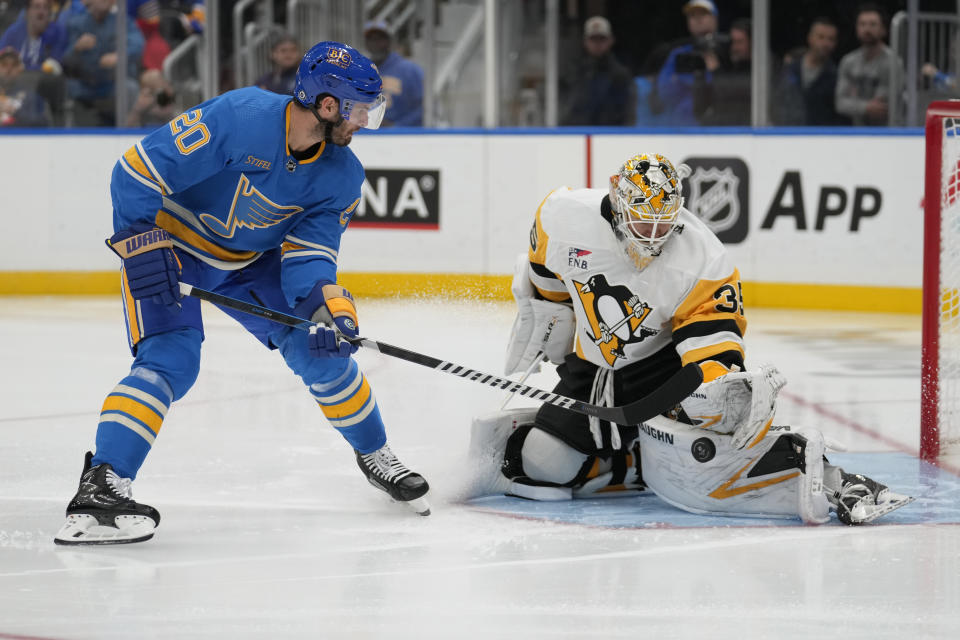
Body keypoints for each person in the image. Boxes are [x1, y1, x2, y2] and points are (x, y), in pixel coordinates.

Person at [54, 41, 430, 546]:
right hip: (173, 252)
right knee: (170, 361)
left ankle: (376, 455)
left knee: (322, 353)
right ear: (326, 104)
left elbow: (308, 256)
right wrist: (141, 244)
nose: (365, 121)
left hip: (251, 264)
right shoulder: (238, 115)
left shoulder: (342, 175)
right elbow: (136, 171)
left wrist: (327, 305)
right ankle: (102, 484)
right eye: (360, 109)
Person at [469, 153, 913, 526]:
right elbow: (546, 266)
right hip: (595, 368)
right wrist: (554, 313)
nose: (654, 238)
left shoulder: (703, 259)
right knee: (542, 465)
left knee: (713, 434)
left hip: (665, 366)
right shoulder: (562, 215)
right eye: (643, 225)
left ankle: (833, 477)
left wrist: (711, 390)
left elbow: (713, 338)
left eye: (664, 225)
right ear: (617, 205)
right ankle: (638, 459)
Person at [62, 0, 144, 126]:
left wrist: (119, 56)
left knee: (130, 88)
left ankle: (128, 134)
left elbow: (138, 44)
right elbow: (64, 60)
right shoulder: (76, 23)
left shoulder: (122, 22)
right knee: (62, 88)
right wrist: (77, 48)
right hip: (84, 86)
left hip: (111, 85)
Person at [654, 0, 725, 127]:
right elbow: (664, 92)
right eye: (692, 16)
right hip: (682, 125)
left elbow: (730, 90)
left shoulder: (726, 49)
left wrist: (715, 70)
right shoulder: (679, 53)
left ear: (715, 18)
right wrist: (691, 83)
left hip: (719, 126)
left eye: (703, 14)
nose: (697, 20)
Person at [835, 3, 904, 126]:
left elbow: (883, 106)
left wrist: (854, 103)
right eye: (862, 24)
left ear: (883, 29)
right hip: (858, 132)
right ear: (856, 28)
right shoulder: (848, 62)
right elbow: (840, 103)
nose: (867, 29)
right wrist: (865, 107)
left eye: (873, 24)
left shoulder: (893, 62)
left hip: (890, 132)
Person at [559, 15, 634, 126]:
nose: (597, 44)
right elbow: (566, 107)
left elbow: (627, 112)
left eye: (602, 39)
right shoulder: (574, 72)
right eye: (593, 39)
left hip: (610, 135)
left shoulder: (620, 75)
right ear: (585, 41)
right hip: (577, 134)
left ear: (611, 41)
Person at [773, 17, 848, 126]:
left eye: (831, 39)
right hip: (788, 133)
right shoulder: (790, 70)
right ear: (810, 38)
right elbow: (778, 102)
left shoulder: (836, 76)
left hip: (821, 137)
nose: (825, 43)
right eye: (821, 37)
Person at [362, 20, 423, 127]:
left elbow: (425, 108)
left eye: (380, 39)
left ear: (389, 41)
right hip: (367, 137)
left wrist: (396, 126)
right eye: (371, 39)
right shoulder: (360, 72)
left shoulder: (409, 70)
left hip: (401, 138)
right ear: (366, 43)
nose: (375, 43)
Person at [695, 17, 750, 126]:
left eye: (739, 42)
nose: (734, 48)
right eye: (732, 42)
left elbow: (734, 92)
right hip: (719, 131)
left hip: (744, 130)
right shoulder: (729, 64)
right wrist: (700, 75)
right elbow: (699, 107)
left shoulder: (762, 68)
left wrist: (716, 71)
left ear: (753, 43)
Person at [0, 45, 49, 126]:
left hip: (19, 137)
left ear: (20, 68)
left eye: (14, 65)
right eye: (4, 64)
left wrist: (15, 112)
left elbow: (42, 123)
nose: (8, 69)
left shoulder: (30, 95)